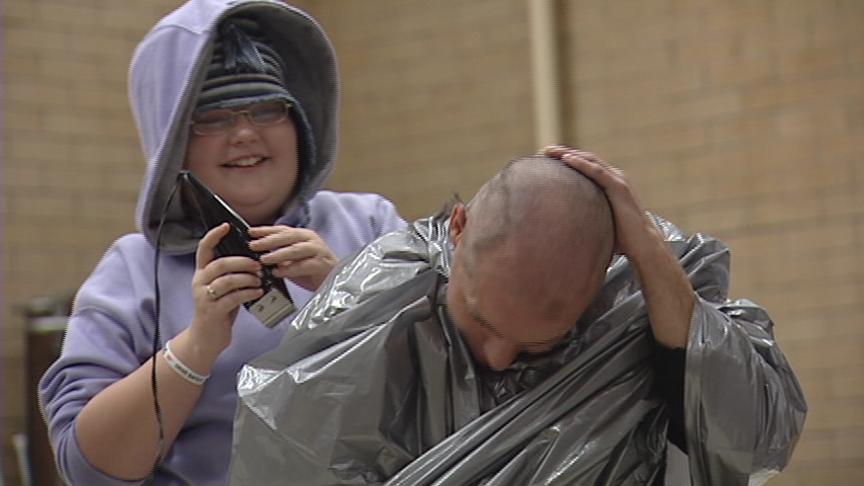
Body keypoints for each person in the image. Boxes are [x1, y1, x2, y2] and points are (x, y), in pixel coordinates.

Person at [230, 151, 807, 485]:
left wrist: (650, 255)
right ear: (459, 229)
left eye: (539, 344)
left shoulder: (633, 313)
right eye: (482, 322)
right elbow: (290, 448)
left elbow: (751, 440)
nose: (500, 357)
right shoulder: (389, 290)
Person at [38, 1, 405, 484]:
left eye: (268, 109)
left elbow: (467, 371)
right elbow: (89, 468)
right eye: (212, 118)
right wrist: (196, 347)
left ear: (300, 125)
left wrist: (349, 290)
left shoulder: (372, 224)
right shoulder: (129, 272)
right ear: (174, 146)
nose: (245, 134)